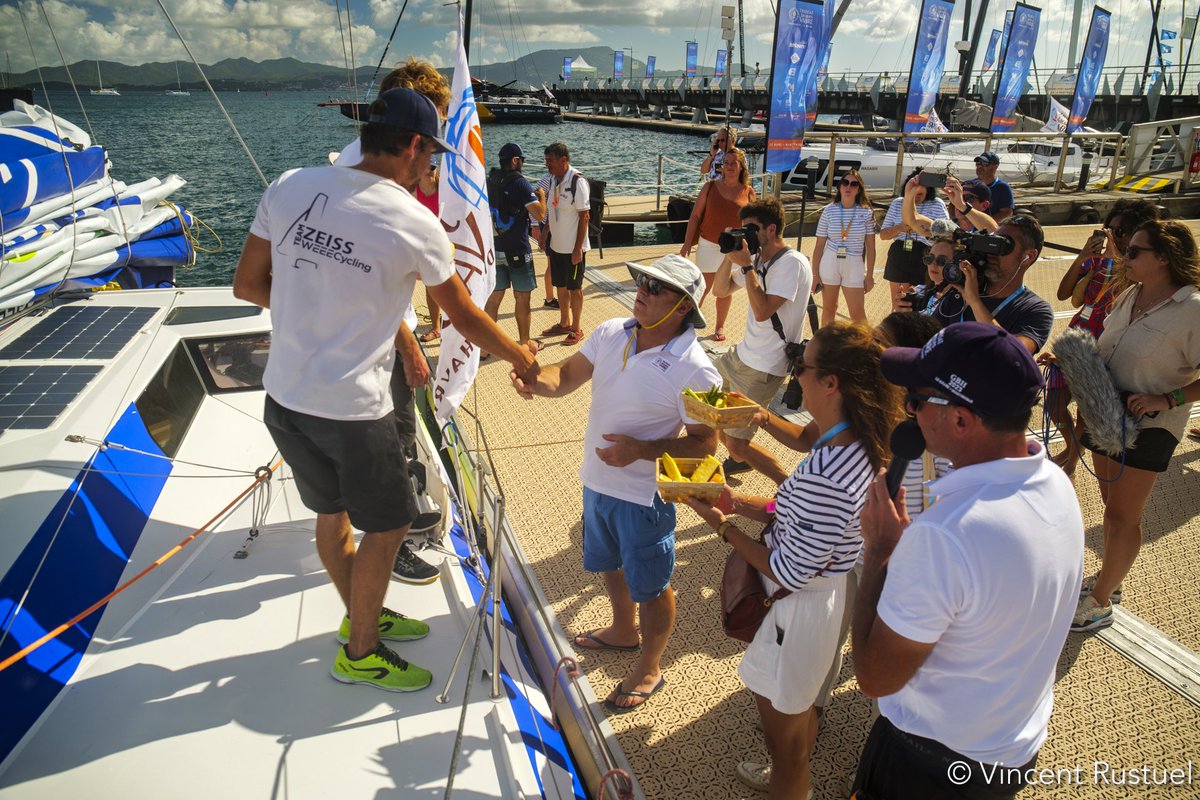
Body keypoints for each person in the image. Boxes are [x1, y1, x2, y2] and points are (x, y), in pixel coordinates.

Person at [232, 88, 539, 693]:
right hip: (352, 409)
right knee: (390, 525)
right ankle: (362, 649)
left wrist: (310, 310)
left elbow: (247, 284)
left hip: (285, 400)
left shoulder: (290, 185)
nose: (432, 170)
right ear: (415, 145)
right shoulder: (414, 223)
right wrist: (520, 354)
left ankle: (361, 611)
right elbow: (463, 315)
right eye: (432, 157)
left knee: (331, 512)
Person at [852, 322, 1083, 799]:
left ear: (960, 420)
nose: (908, 413)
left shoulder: (943, 536)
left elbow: (873, 677)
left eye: (916, 401)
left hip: (930, 763)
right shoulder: (1056, 484)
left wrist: (877, 552)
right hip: (1011, 748)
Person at [685, 322, 903, 799]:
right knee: (792, 726)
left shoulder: (829, 469)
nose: (794, 373)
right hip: (820, 599)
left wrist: (720, 526)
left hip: (799, 612)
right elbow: (798, 514)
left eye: (803, 364)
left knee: (786, 750)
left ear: (831, 383)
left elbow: (788, 570)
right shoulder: (853, 441)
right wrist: (738, 503)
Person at [510, 255, 720, 712]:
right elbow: (563, 377)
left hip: (643, 497)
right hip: (596, 483)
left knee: (652, 586)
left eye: (656, 287)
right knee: (609, 563)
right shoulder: (610, 332)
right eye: (642, 280)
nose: (641, 289)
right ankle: (623, 631)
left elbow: (706, 446)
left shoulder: (699, 370)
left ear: (683, 306)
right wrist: (531, 377)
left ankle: (650, 666)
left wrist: (640, 451)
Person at [1071, 219, 1200, 632]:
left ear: (1163, 258)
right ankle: (1113, 576)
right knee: (1111, 510)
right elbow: (1111, 348)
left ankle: (1101, 601)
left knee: (1126, 516)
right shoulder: (1131, 293)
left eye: (1133, 252)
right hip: (1106, 411)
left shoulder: (1193, 308)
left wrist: (1168, 399)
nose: (1123, 256)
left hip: (1152, 426)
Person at [1041, 200, 1158, 476]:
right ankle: (1072, 447)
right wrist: (1083, 257)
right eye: (1110, 229)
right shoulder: (1095, 261)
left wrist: (1118, 258)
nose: (1112, 236)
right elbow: (1063, 294)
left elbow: (1128, 296)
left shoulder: (1136, 270)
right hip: (1077, 337)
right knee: (1054, 404)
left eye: (1121, 231)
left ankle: (1071, 461)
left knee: (1086, 409)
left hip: (1104, 345)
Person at [712, 197, 813, 477]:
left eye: (750, 229)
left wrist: (746, 268)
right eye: (742, 229)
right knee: (703, 407)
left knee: (735, 441)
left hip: (765, 368)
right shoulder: (754, 257)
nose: (746, 235)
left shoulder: (792, 263)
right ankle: (741, 457)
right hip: (740, 355)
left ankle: (787, 485)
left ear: (771, 229)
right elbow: (719, 291)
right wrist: (728, 252)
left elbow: (763, 311)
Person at [929, 214, 1055, 354]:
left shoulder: (1036, 310)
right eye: (992, 242)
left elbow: (1014, 352)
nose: (992, 253)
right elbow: (925, 340)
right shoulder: (961, 292)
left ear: (1028, 257)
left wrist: (975, 303)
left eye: (1003, 246)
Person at [680, 147, 756, 341]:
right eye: (726, 163)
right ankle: (688, 325)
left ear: (741, 167)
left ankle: (719, 327)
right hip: (708, 243)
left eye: (734, 163)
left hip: (732, 246)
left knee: (724, 289)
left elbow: (753, 224)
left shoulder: (748, 192)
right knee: (701, 287)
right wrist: (687, 243)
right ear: (721, 167)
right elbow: (695, 216)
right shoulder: (710, 187)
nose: (729, 166)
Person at [485, 143, 547, 351]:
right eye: (522, 160)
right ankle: (524, 343)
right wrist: (542, 198)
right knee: (522, 298)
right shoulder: (520, 183)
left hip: (496, 248)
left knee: (494, 298)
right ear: (514, 160)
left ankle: (486, 347)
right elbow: (539, 214)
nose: (523, 163)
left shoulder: (490, 180)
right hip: (518, 250)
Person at [811, 168, 876, 326]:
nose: (849, 187)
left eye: (854, 184)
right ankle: (826, 348)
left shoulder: (867, 213)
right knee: (829, 308)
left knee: (857, 313)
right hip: (830, 261)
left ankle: (865, 348)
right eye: (845, 183)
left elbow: (871, 247)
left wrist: (869, 275)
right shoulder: (828, 211)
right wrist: (815, 275)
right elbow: (819, 245)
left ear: (859, 189)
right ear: (839, 187)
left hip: (854, 262)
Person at [541, 142, 590, 345]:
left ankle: (576, 329)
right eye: (546, 161)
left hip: (573, 249)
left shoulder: (577, 182)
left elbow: (584, 216)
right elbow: (553, 210)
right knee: (560, 286)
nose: (547, 165)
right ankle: (564, 322)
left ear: (563, 160)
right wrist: (545, 234)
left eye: (550, 160)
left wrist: (578, 248)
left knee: (574, 288)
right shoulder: (554, 180)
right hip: (556, 247)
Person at [880, 169, 949, 309]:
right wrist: (900, 227)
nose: (916, 197)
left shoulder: (937, 204)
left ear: (928, 192)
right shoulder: (897, 203)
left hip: (925, 255)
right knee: (898, 300)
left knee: (920, 301)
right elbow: (883, 235)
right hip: (900, 252)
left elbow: (946, 235)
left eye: (920, 194)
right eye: (913, 192)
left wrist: (921, 228)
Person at [531, 170, 557, 308]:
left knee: (554, 264)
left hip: (558, 227)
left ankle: (551, 298)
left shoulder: (561, 178)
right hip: (549, 226)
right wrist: (535, 224)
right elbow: (534, 200)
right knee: (551, 264)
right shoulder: (548, 179)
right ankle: (549, 298)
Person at [974, 151, 1013, 222]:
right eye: (978, 163)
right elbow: (953, 205)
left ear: (995, 167)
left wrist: (983, 223)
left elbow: (1007, 213)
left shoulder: (1002, 188)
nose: (979, 167)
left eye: (984, 164)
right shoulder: (969, 184)